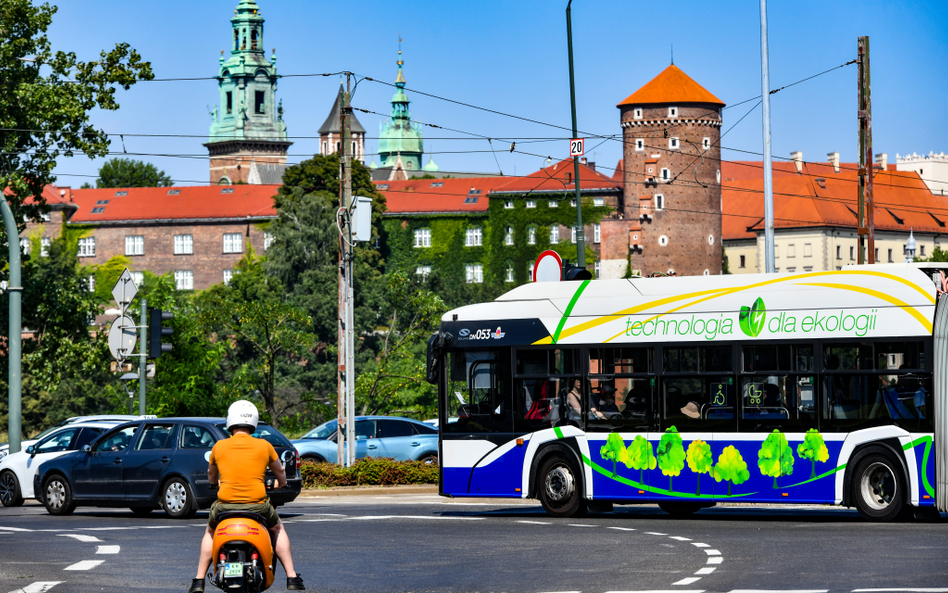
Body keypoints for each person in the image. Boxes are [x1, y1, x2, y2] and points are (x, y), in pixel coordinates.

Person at [189, 401, 304, 592]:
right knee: (277, 528)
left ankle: (198, 580)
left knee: (210, 532)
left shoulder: (219, 446)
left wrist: (213, 484)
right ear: (254, 422)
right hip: (257, 505)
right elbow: (280, 470)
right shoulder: (264, 445)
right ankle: (292, 577)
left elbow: (211, 474)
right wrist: (281, 483)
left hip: (225, 505)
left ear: (230, 421)